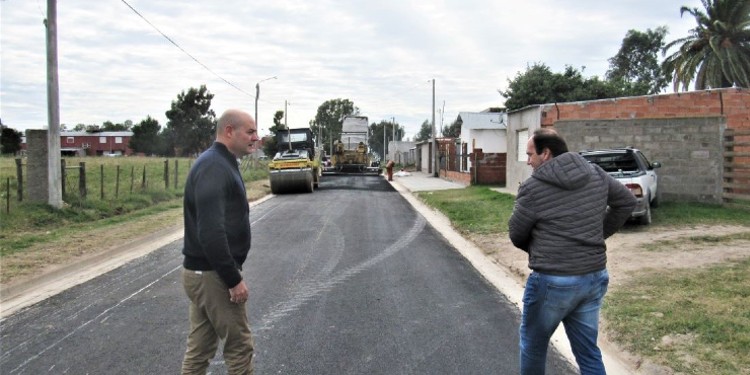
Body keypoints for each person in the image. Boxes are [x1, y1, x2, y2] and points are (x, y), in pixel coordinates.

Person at [508, 128, 636, 375]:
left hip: (552, 282)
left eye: (530, 154)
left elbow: (516, 234)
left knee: (533, 347)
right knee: (588, 352)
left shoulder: (533, 187)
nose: (527, 161)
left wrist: (543, 249)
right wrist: (596, 236)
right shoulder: (595, 173)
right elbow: (626, 202)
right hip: (592, 276)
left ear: (545, 154)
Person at [181, 109, 260, 375]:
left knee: (200, 349)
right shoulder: (214, 166)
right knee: (239, 347)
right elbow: (211, 232)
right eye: (250, 132)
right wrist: (232, 279)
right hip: (212, 274)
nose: (256, 137)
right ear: (229, 131)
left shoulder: (220, 162)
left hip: (204, 272)